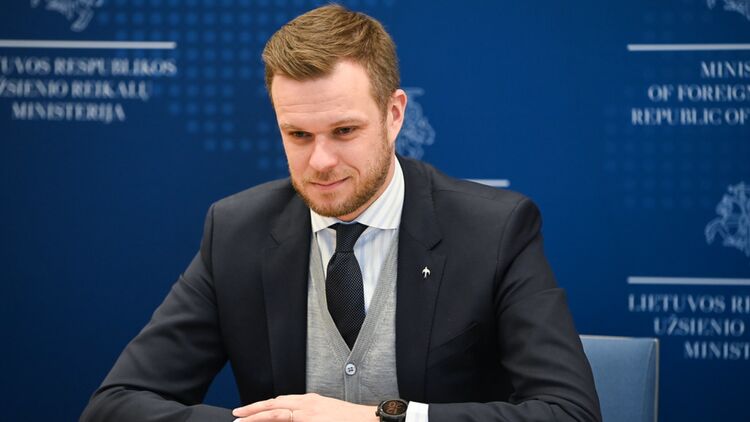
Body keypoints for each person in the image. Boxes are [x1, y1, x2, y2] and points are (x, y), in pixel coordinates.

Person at [81, 4, 601, 422]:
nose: (321, 161)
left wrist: (384, 418)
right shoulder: (237, 232)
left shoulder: (494, 230)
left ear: (394, 114)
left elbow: (568, 411)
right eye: (298, 135)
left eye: (344, 131)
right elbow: (116, 405)